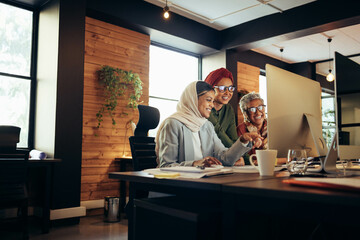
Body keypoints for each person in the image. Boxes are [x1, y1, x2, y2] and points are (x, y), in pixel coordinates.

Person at [156, 81, 263, 168]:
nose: (212, 105)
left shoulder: (207, 126)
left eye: (212, 101)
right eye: (208, 100)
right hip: (180, 186)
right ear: (193, 100)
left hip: (204, 182)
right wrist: (195, 164)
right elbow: (166, 166)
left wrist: (243, 140)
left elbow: (225, 158)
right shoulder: (172, 124)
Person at [237, 92, 286, 165]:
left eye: (260, 107)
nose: (258, 112)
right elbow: (242, 156)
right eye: (252, 109)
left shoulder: (273, 126)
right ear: (245, 113)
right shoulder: (241, 129)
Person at [204, 68, 238, 148]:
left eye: (230, 88)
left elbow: (233, 139)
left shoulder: (228, 109)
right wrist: (237, 151)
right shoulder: (205, 108)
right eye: (222, 88)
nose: (228, 93)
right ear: (210, 88)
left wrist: (250, 160)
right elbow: (219, 133)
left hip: (222, 155)